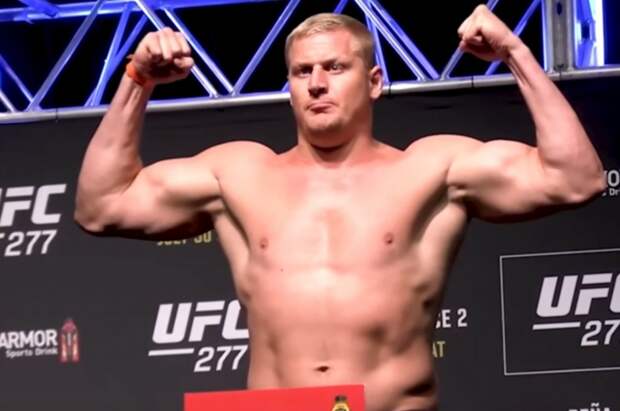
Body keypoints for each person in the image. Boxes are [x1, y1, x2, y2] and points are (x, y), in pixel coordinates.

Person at [74, 6, 606, 411]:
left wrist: (515, 52)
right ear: (289, 88)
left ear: (374, 82)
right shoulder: (238, 173)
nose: (317, 83)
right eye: (302, 72)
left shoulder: (431, 168)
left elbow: (575, 178)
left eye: (334, 67)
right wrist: (137, 80)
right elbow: (101, 205)